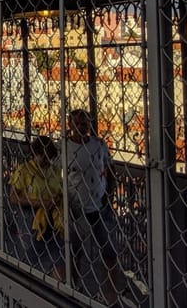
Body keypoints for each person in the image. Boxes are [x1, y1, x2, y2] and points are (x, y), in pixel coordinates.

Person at [65, 108, 126, 302]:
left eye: (85, 123)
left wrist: (109, 193)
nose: (81, 127)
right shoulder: (63, 147)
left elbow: (111, 168)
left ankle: (110, 294)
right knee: (75, 251)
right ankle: (74, 288)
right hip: (76, 207)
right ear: (70, 125)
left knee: (109, 252)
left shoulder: (99, 144)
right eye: (77, 124)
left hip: (100, 205)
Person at [8, 136, 64, 279]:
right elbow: (13, 197)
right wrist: (39, 202)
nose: (46, 160)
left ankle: (56, 285)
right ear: (35, 154)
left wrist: (58, 199)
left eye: (49, 157)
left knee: (58, 257)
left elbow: (60, 190)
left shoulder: (55, 171)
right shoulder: (24, 170)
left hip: (54, 220)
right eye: (42, 156)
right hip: (31, 221)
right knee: (30, 258)